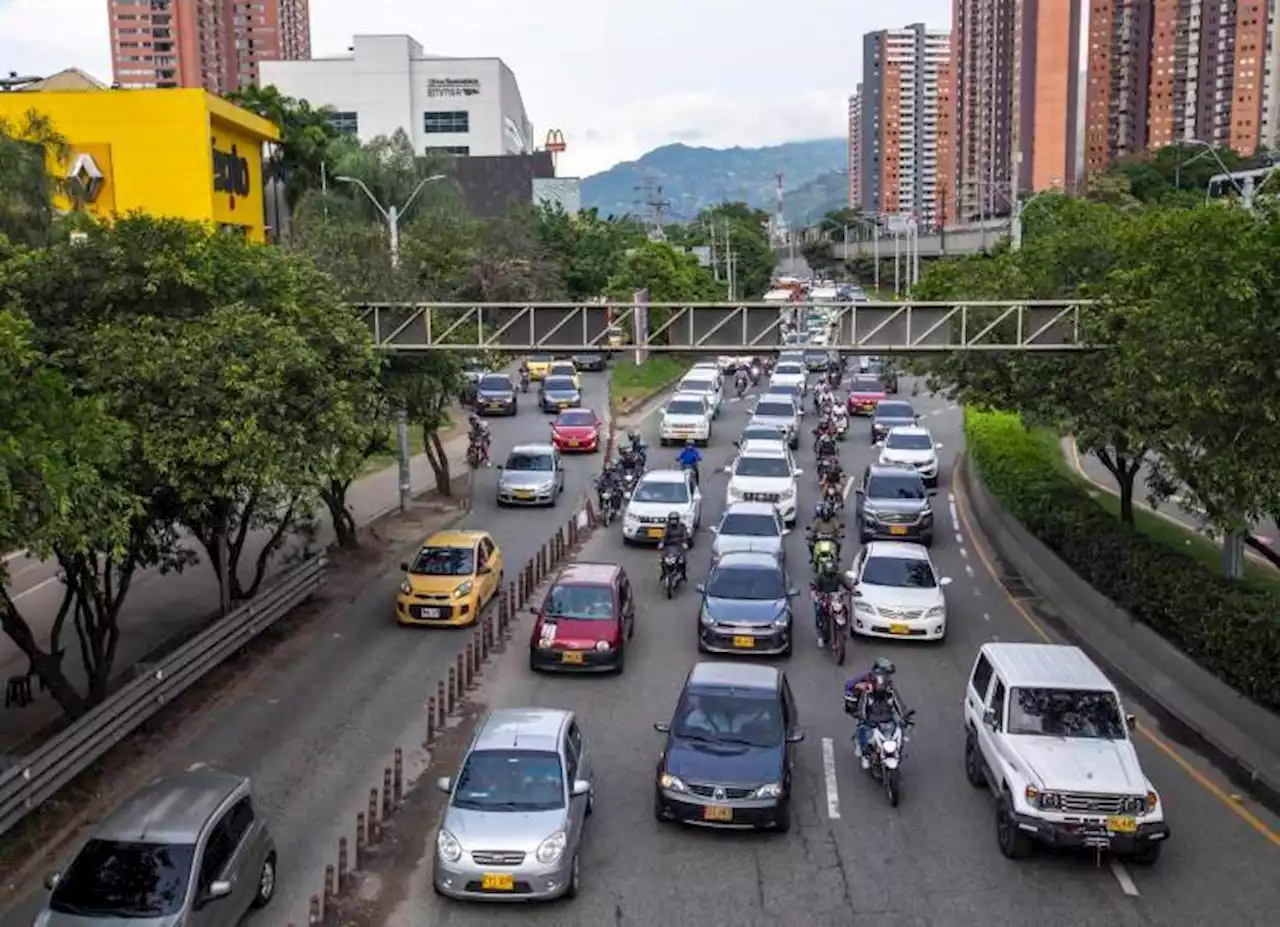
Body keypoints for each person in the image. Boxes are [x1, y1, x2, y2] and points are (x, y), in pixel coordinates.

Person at [845, 658, 908, 769]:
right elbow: (862, 707)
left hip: (887, 719)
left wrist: (905, 716)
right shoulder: (867, 690)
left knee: (899, 732)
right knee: (864, 732)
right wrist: (864, 718)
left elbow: (898, 703)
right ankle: (865, 754)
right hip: (871, 720)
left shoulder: (890, 690)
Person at [809, 558, 851, 648]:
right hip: (823, 599)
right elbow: (813, 586)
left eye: (832, 573)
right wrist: (815, 595)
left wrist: (852, 590)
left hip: (835, 599)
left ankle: (844, 629)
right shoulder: (819, 577)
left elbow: (847, 584)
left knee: (844, 610)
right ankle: (820, 635)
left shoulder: (838, 576)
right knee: (819, 613)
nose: (830, 575)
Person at [657, 511, 689, 582]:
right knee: (662, 559)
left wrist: (684, 542)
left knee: (683, 560)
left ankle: (683, 574)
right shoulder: (667, 527)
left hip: (679, 546)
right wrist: (662, 543)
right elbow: (663, 536)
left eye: (675, 519)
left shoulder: (682, 526)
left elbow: (685, 535)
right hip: (669, 546)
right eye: (672, 519)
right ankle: (663, 572)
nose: (673, 521)